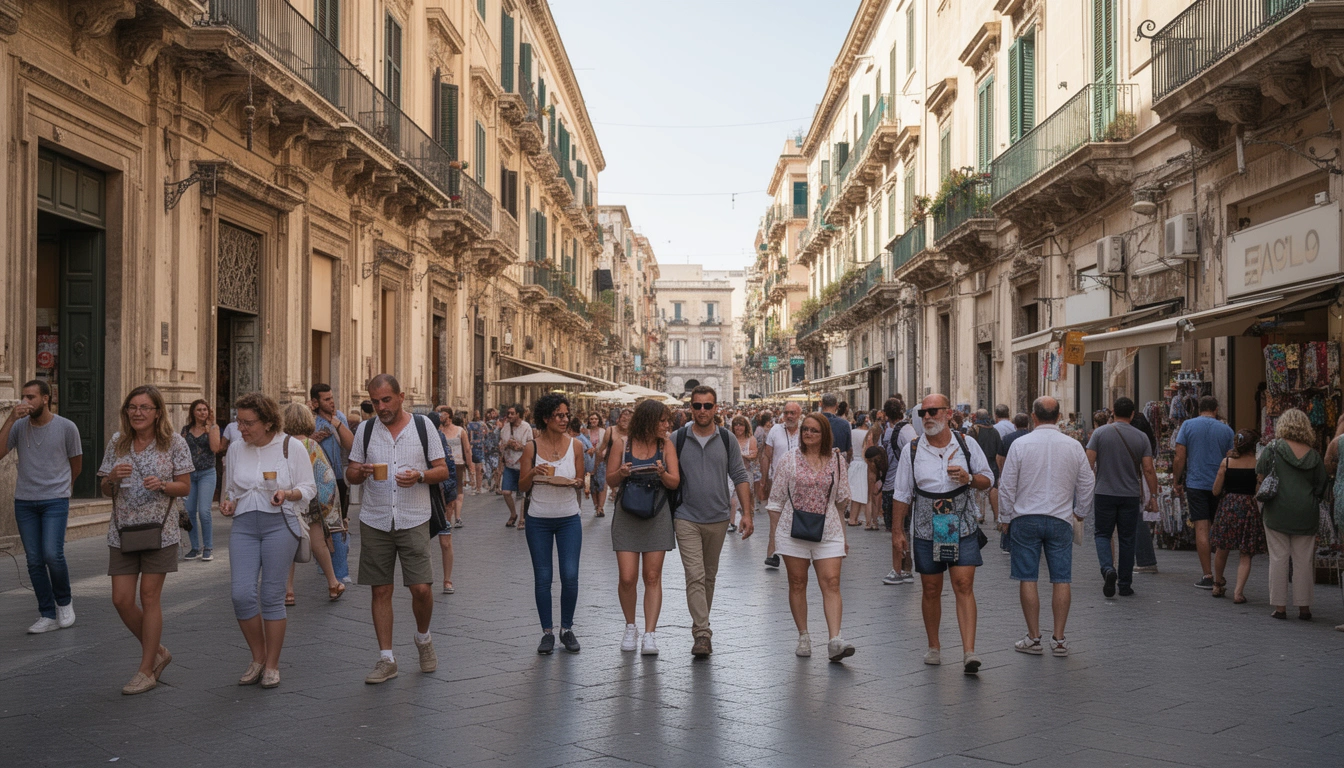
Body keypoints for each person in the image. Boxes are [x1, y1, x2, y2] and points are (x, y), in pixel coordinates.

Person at [346, 374, 449, 684]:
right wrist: (360, 472)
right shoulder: (365, 430)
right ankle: (386, 658)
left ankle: (423, 637)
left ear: (401, 397)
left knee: (421, 588)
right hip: (375, 518)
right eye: (375, 401)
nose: (381, 407)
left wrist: (420, 476)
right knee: (381, 589)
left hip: (414, 517)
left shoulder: (423, 426)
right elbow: (351, 473)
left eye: (386, 400)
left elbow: (442, 470)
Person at [97, 385, 192, 695]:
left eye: (144, 407)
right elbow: (105, 489)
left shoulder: (174, 442)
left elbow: (185, 487)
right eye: (132, 407)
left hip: (160, 531)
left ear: (157, 412)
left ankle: (146, 669)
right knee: (121, 600)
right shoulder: (117, 442)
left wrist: (162, 484)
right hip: (122, 531)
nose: (137, 413)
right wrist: (111, 479)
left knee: (149, 597)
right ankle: (158, 652)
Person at [890, 394, 995, 674]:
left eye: (933, 411)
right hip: (927, 525)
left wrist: (969, 478)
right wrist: (897, 532)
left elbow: (988, 479)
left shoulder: (966, 443)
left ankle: (969, 652)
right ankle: (934, 646)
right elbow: (902, 493)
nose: (927, 417)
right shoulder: (912, 450)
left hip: (961, 522)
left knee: (963, 584)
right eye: (922, 412)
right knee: (931, 588)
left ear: (948, 414)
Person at [220, 394, 315, 689]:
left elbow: (309, 487)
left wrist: (287, 494)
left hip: (280, 525)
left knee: (272, 595)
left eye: (248, 423)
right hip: (244, 526)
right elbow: (230, 489)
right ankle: (257, 657)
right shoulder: (235, 448)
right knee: (241, 594)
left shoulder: (291, 446)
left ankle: (271, 664)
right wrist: (228, 502)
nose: (241, 428)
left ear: (269, 422)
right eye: (239, 421)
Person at [999, 397, 1094, 657]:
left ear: (1033, 416)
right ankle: (1059, 639)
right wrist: (1081, 512)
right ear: (1059, 416)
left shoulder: (1020, 444)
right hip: (1060, 518)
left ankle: (1034, 637)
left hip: (1025, 518)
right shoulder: (1073, 446)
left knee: (1028, 577)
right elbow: (1087, 482)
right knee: (1061, 578)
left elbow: (1007, 484)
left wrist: (1005, 517)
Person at [671, 386, 753, 659]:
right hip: (686, 516)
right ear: (690, 408)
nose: (702, 411)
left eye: (708, 406)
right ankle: (702, 633)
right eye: (697, 406)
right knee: (694, 575)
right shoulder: (677, 438)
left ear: (716, 408)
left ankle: (701, 624)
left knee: (708, 576)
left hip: (718, 518)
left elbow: (739, 475)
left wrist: (747, 513)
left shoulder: (727, 439)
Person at [767, 413, 854, 661]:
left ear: (825, 434)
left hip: (829, 529)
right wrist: (775, 538)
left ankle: (835, 640)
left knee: (832, 582)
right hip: (792, 531)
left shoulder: (837, 460)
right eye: (805, 429)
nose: (808, 433)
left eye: (814, 430)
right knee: (797, 582)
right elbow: (775, 501)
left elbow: (841, 501)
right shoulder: (789, 459)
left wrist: (843, 536)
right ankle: (803, 635)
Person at [1, 379, 83, 633]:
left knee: (52, 554)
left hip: (55, 500)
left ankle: (64, 602)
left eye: (31, 397)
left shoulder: (66, 427)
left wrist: (65, 488)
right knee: (34, 560)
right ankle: (46, 613)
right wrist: (10, 419)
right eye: (23, 397)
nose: (25, 402)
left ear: (45, 399)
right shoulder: (19, 426)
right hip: (25, 501)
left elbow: (76, 463)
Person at [607, 399, 680, 656]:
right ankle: (630, 627)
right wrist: (622, 473)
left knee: (652, 576)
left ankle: (650, 633)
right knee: (627, 578)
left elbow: (674, 482)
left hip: (656, 514)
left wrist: (662, 473)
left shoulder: (666, 445)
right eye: (662, 421)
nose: (667, 425)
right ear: (649, 421)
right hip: (627, 515)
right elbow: (610, 479)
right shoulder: (622, 444)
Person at [1086, 397, 1159, 598]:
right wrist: (1153, 496)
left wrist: (1084, 491)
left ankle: (1108, 569)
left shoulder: (1099, 433)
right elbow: (1148, 469)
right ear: (1132, 414)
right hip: (1130, 495)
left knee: (1102, 534)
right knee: (1127, 538)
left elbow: (1088, 463)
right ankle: (1125, 584)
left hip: (1104, 492)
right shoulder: (1141, 437)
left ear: (1113, 413)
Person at [1257, 409, 1325, 621]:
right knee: (1303, 560)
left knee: (1278, 558)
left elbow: (1260, 474)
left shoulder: (1273, 448)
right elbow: (1321, 486)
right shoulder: (1314, 455)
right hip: (1306, 512)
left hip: (1277, 510)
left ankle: (1280, 607)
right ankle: (1304, 607)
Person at [280, 402, 344, 604]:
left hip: (286, 500)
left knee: (287, 546)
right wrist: (330, 507)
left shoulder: (281, 445)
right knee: (319, 544)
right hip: (309, 501)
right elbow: (325, 477)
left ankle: (288, 592)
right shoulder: (311, 445)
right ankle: (333, 584)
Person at [1173, 396, 1236, 589]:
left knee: (1201, 528)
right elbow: (1232, 457)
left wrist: (1176, 481)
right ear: (1216, 409)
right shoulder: (1226, 430)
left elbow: (1179, 456)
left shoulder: (1187, 426)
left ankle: (1207, 574)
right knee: (1219, 528)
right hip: (1220, 484)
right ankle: (1219, 575)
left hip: (1196, 483)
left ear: (1199, 409)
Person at [1210, 428, 1267, 602]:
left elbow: (1215, 490)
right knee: (1246, 552)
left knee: (1222, 548)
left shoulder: (1226, 463)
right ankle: (1238, 592)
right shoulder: (1257, 464)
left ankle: (1217, 584)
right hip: (1248, 507)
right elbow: (1258, 490)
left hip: (1228, 506)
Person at [310, 384, 354, 583]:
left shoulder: (340, 417)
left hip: (338, 479)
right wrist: (312, 439)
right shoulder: (310, 420)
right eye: (326, 399)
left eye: (332, 398)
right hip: (316, 480)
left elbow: (351, 444)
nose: (332, 402)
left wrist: (337, 424)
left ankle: (341, 571)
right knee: (319, 525)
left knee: (340, 524)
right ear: (315, 402)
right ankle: (324, 563)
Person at [761, 401, 803, 568]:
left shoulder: (805, 430)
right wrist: (764, 480)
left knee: (797, 518)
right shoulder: (775, 430)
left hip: (801, 482)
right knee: (775, 516)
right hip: (778, 481)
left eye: (793, 413)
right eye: (786, 413)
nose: (789, 416)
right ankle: (772, 554)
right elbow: (767, 455)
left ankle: (796, 552)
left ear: (799, 414)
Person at [179, 399, 222, 562]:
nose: (202, 412)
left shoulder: (213, 428)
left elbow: (215, 448)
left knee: (204, 511)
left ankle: (208, 547)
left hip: (207, 473)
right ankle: (195, 547)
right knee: (189, 511)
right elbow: (181, 450)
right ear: (193, 412)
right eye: (199, 410)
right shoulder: (186, 430)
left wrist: (210, 427)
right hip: (189, 474)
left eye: (205, 409)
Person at [881, 396, 917, 584]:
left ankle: (899, 570)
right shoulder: (905, 430)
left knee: (898, 528)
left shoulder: (899, 431)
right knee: (902, 528)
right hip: (897, 484)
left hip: (896, 485)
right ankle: (905, 569)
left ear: (886, 414)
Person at [426, 412, 459, 595]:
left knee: (445, 541)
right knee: (423, 542)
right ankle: (427, 579)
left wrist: (448, 497)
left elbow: (450, 470)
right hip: (424, 497)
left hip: (439, 496)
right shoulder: (422, 438)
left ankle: (447, 580)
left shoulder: (440, 438)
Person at [1129, 412, 1161, 573]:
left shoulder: (1137, 440)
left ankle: (1145, 560)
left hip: (1137, 485)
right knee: (1139, 520)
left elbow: (1147, 469)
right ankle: (1144, 559)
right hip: (1141, 484)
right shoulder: (1145, 440)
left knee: (1137, 520)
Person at [499, 404, 533, 529]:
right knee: (506, 491)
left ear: (518, 414)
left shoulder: (526, 427)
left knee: (524, 493)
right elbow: (500, 445)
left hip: (523, 464)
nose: (509, 415)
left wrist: (520, 447)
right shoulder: (505, 427)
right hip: (509, 464)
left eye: (512, 413)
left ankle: (522, 518)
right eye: (508, 413)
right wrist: (507, 444)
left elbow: (530, 446)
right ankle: (513, 514)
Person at [967, 409, 1003, 528]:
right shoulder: (994, 431)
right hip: (992, 462)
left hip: (978, 462)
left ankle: (980, 515)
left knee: (978, 488)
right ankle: (997, 517)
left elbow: (968, 447)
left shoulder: (973, 430)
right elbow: (999, 449)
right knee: (993, 488)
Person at [439, 412, 472, 527]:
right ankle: (447, 516)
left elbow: (467, 449)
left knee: (458, 489)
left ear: (450, 417)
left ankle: (457, 517)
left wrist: (470, 466)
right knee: (444, 491)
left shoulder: (460, 431)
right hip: (443, 464)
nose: (441, 418)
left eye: (443, 415)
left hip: (458, 463)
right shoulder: (439, 431)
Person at [729, 415, 759, 532]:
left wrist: (742, 456)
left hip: (746, 472)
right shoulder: (730, 439)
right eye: (736, 425)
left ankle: (746, 520)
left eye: (741, 425)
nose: (738, 427)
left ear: (745, 427)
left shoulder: (751, 439)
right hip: (731, 473)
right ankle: (732, 522)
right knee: (732, 498)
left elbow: (754, 455)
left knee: (745, 498)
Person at [582, 413, 608, 516]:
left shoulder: (603, 432)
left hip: (600, 460)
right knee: (592, 484)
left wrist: (603, 453)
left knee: (601, 483)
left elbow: (606, 444)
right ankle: (596, 505)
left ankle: (601, 507)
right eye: (591, 419)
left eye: (595, 419)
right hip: (589, 461)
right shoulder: (585, 432)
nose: (593, 421)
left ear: (599, 420)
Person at [847, 413, 870, 526]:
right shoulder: (868, 434)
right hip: (863, 463)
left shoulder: (852, 432)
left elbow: (849, 448)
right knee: (859, 493)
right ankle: (853, 519)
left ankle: (854, 518)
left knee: (855, 492)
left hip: (853, 462)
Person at [568, 417, 594, 509]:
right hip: (583, 467)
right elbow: (591, 449)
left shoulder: (574, 440)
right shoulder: (583, 437)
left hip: (575, 467)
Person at [466, 410, 488, 494]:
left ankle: (476, 487)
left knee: (475, 468)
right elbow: (486, 433)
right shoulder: (481, 424)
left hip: (475, 447)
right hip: (476, 447)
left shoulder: (470, 425)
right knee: (476, 469)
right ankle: (477, 487)